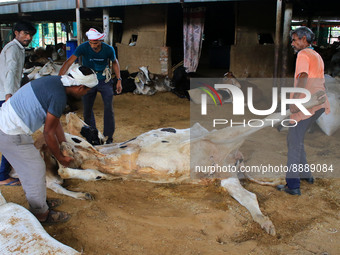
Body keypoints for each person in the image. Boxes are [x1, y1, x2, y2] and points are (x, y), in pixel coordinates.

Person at [0, 65, 98, 223]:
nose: (85, 94)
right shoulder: (59, 96)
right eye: (86, 90)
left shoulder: (56, 82)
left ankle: (39, 204)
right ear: (80, 87)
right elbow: (48, 133)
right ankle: (41, 215)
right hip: (10, 132)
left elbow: (54, 121)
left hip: (11, 125)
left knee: (29, 171)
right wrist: (60, 158)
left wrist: (64, 144)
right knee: (35, 169)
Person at [277, 26, 330, 195]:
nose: (292, 43)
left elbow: (303, 76)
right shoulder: (316, 55)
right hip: (318, 103)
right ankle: (306, 174)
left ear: (304, 40)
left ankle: (293, 185)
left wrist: (295, 101)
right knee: (296, 138)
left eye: (295, 39)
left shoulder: (303, 55)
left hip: (306, 104)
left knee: (293, 141)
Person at [59, 28, 122, 144]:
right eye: (91, 43)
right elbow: (69, 62)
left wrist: (119, 79)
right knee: (87, 110)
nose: (93, 45)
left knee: (108, 109)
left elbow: (115, 62)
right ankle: (93, 135)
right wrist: (59, 78)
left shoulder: (108, 49)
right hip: (88, 81)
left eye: (96, 43)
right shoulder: (83, 47)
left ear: (100, 41)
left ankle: (108, 137)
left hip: (104, 80)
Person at [0, 21, 36, 186]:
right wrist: (9, 97)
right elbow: (10, 72)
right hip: (5, 96)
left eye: (30, 35)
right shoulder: (13, 49)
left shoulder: (18, 48)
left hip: (9, 95)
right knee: (12, 135)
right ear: (16, 33)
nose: (28, 37)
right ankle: (3, 175)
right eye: (25, 34)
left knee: (12, 135)